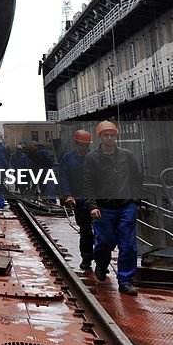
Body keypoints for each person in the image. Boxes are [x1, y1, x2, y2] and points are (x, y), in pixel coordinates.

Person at [82, 120, 143, 296]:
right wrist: (92, 206)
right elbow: (88, 184)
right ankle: (101, 263)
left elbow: (137, 178)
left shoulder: (127, 156)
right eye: (106, 135)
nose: (109, 138)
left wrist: (135, 201)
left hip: (126, 206)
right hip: (103, 208)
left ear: (116, 136)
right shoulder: (92, 158)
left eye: (112, 135)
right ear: (99, 137)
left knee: (128, 245)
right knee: (106, 241)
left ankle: (125, 280)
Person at [58, 129, 95, 271]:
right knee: (85, 231)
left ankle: (101, 260)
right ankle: (86, 258)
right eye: (82, 145)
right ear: (76, 144)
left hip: (96, 200)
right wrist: (68, 195)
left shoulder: (95, 158)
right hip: (79, 201)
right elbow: (64, 178)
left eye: (86, 145)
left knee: (101, 232)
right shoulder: (68, 159)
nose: (85, 148)